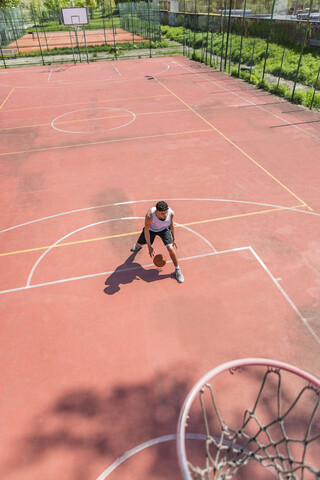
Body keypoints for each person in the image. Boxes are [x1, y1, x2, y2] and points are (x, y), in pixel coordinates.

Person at [131, 201, 184, 283]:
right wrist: (149, 247)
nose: (165, 215)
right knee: (138, 245)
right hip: (151, 230)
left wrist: (174, 239)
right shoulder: (150, 216)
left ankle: (177, 270)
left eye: (166, 213)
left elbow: (171, 225)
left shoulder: (171, 213)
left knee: (171, 248)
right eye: (162, 213)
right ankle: (138, 245)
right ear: (156, 211)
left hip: (164, 230)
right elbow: (146, 231)